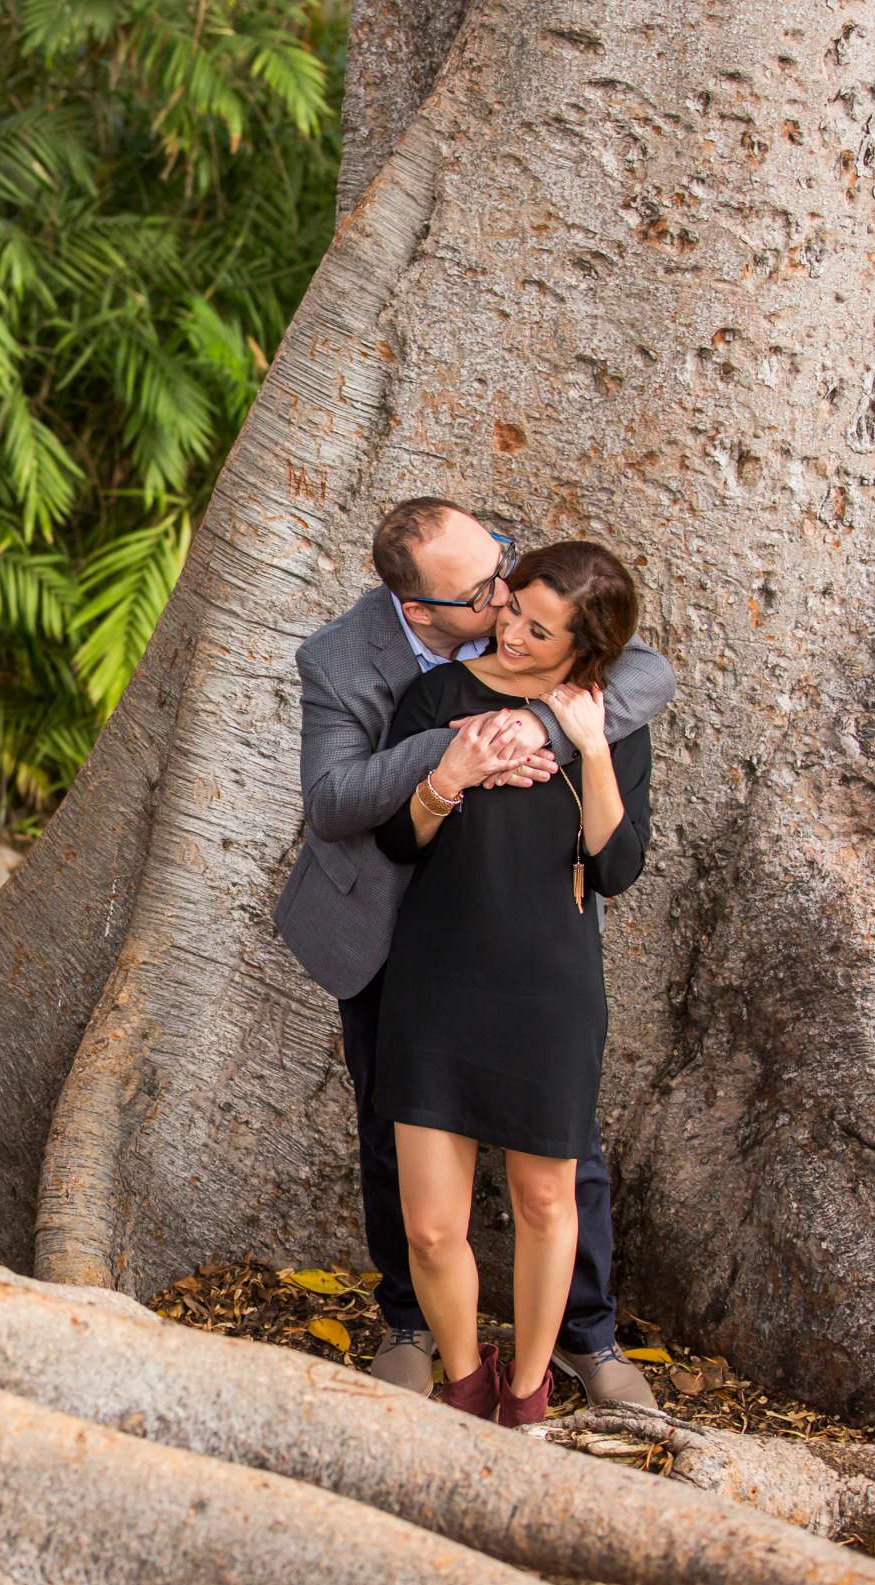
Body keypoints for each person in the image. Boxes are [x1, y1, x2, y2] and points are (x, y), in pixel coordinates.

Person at [272, 497, 671, 1412]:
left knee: (565, 1162)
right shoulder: (348, 662)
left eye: (505, 571)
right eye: (486, 594)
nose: (503, 604)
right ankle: (415, 1328)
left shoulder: (533, 611)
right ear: (422, 612)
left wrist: (543, 727)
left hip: (532, 936)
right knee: (397, 1138)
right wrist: (452, 755)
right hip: (392, 923)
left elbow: (635, 671)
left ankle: (584, 1336)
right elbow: (334, 802)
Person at [373, 539, 653, 1426]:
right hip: (436, 981)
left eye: (539, 628)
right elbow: (395, 843)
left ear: (587, 644)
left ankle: (528, 1389)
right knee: (429, 1225)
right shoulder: (437, 697)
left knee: (544, 1199)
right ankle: (463, 1378)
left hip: (548, 990)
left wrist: (587, 747)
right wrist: (448, 777)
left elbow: (616, 868)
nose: (511, 631)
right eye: (512, 609)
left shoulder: (608, 718)